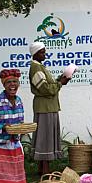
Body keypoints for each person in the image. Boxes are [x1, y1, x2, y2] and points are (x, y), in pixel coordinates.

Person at [28, 41, 70, 175]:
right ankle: (46, 171)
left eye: (44, 51)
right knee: (45, 138)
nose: (44, 54)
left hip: (48, 107)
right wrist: (60, 84)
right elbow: (45, 89)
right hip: (45, 108)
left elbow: (48, 84)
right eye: (41, 52)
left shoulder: (40, 67)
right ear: (35, 54)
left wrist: (61, 79)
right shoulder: (36, 68)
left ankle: (42, 169)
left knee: (45, 137)